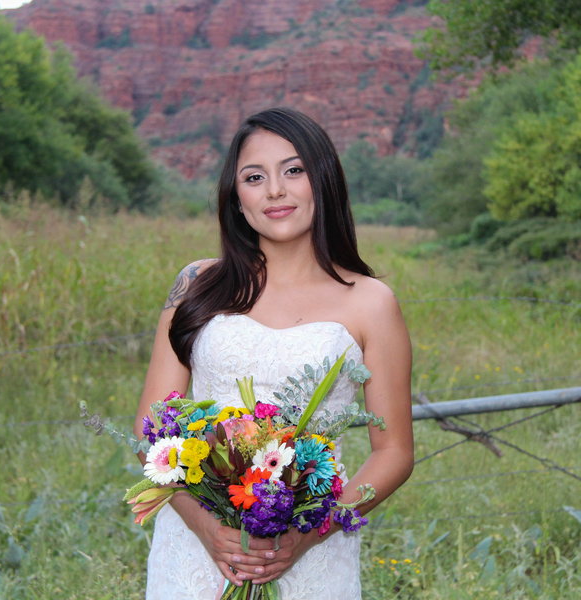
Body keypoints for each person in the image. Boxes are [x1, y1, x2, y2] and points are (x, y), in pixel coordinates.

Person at [134, 107, 414, 599]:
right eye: (254, 177)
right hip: (193, 552)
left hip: (313, 552)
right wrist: (207, 528)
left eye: (294, 170)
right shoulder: (196, 284)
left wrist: (306, 536)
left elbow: (393, 453)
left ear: (322, 181)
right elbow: (148, 430)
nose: (275, 191)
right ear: (236, 197)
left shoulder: (371, 303)